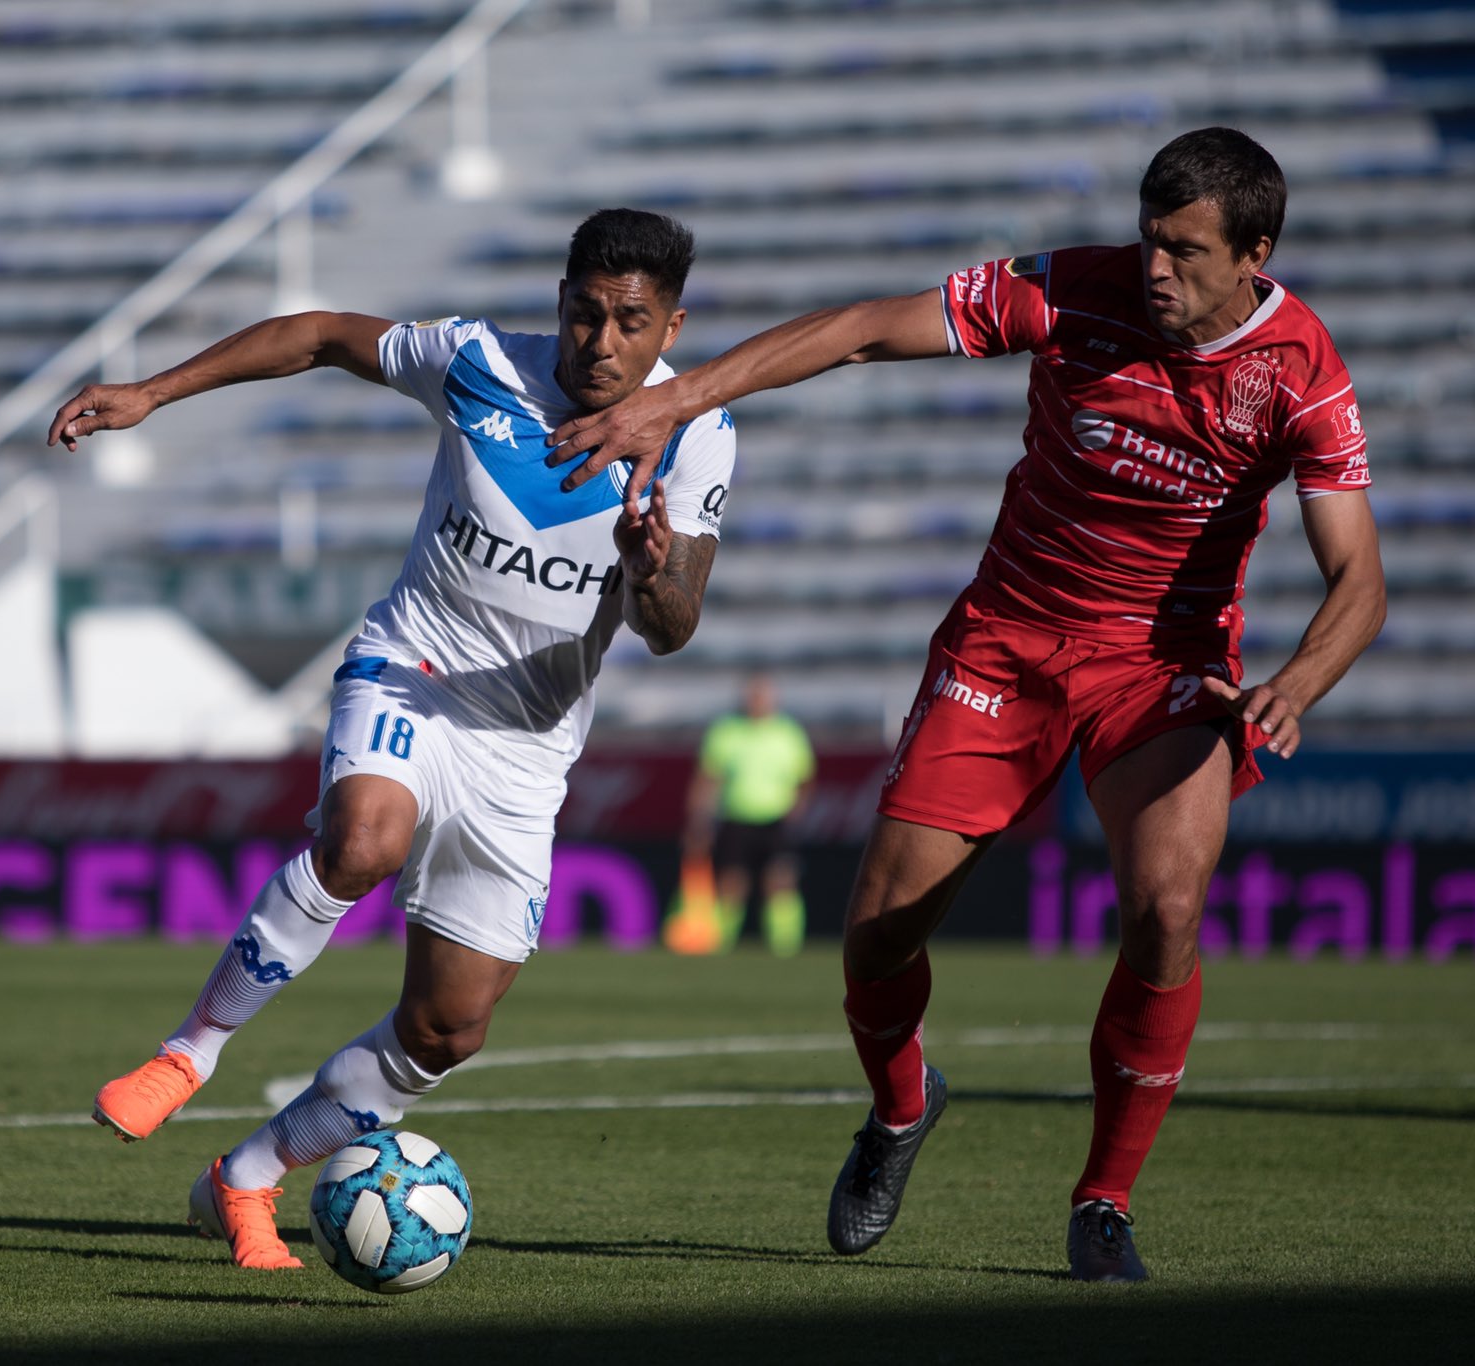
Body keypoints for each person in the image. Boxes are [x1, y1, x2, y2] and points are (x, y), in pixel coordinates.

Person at [545, 129, 1386, 1281]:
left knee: (1166, 909)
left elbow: (1360, 578)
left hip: (1163, 667)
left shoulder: (1300, 370)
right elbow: (856, 331)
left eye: (1183, 251)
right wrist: (674, 401)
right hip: (1008, 639)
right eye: (1148, 239)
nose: (1153, 268)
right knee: (878, 931)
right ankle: (899, 1108)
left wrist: (1295, 681)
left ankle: (1102, 1201)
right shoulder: (1067, 291)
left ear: (1254, 252)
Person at [46, 208, 735, 1270]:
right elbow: (319, 334)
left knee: (447, 1029)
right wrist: (151, 392)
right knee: (360, 841)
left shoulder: (698, 432)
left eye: (629, 323)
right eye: (585, 314)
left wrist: (651, 569)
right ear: (558, 301)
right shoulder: (473, 362)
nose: (602, 343)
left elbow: (672, 627)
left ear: (669, 325)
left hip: (524, 744)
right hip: (411, 665)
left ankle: (249, 1175)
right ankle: (189, 1051)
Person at [674, 671, 815, 956]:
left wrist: (797, 812)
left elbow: (804, 779)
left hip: (775, 818)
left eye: (762, 695)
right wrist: (699, 819)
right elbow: (708, 778)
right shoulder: (726, 731)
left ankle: (786, 947)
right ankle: (721, 944)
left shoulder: (789, 733)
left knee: (780, 881)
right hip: (736, 817)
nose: (757, 701)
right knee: (731, 884)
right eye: (753, 695)